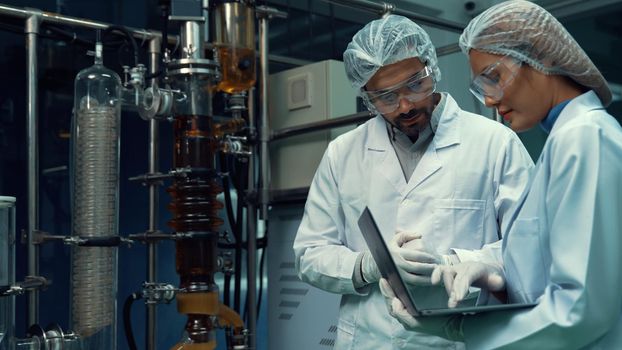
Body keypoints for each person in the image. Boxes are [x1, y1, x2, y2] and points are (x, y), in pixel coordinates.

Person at [379, 1, 622, 348]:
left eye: (494, 77)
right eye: (482, 86)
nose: (489, 100)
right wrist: (493, 270)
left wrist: (463, 330)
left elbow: (580, 309)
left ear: (544, 57)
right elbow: (544, 256)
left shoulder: (586, 137)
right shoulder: (564, 141)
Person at [293, 14, 534, 349]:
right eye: (386, 97)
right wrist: (368, 266)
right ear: (366, 97)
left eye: (414, 85)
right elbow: (309, 254)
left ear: (430, 69)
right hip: (369, 339)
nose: (405, 105)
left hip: (458, 338)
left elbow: (530, 249)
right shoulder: (342, 154)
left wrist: (454, 263)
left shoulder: (495, 144)